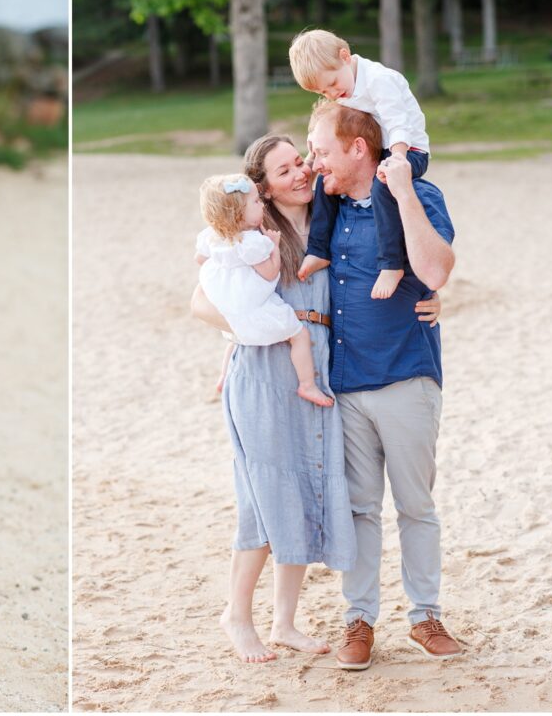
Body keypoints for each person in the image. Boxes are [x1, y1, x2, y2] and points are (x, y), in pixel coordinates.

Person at [191, 135, 442, 664]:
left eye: (301, 163)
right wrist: (249, 334)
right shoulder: (249, 231)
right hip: (266, 367)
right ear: (262, 187)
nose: (301, 174)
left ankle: (284, 621)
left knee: (302, 490)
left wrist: (429, 295)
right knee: (263, 494)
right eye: (284, 171)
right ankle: (237, 615)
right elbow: (201, 303)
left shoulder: (326, 217)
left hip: (318, 365)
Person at [305, 99, 461, 670]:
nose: (313, 161)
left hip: (405, 375)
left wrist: (402, 195)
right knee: (360, 510)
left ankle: (424, 616)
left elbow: (437, 271)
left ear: (358, 149)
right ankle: (359, 621)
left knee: (416, 506)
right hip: (343, 383)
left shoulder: (420, 195)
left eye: (321, 150)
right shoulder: (323, 204)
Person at [288, 29, 431, 300]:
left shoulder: (379, 80)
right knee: (328, 184)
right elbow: (333, 121)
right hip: (378, 148)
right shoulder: (342, 86)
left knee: (381, 187)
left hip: (408, 149)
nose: (332, 93)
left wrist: (398, 159)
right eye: (322, 91)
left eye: (331, 83)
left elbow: (398, 123)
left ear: (344, 57)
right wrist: (314, 149)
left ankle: (391, 264)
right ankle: (319, 250)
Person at [195, 173, 333, 407]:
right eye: (256, 202)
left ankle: (223, 376)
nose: (261, 205)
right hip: (252, 304)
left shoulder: (213, 236)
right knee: (299, 335)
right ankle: (307, 385)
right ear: (240, 213)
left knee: (236, 339)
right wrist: (274, 246)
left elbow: (200, 259)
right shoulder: (252, 242)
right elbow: (269, 272)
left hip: (228, 301)